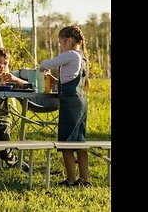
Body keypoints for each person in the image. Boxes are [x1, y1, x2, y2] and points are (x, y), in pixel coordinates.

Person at [39, 25, 90, 187]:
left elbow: (46, 63)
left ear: (68, 41)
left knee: (66, 142)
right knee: (79, 141)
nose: (60, 44)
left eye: (60, 41)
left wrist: (40, 69)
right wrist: (54, 80)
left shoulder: (70, 54)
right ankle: (84, 179)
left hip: (70, 104)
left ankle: (70, 180)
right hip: (80, 102)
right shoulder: (81, 57)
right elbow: (69, 79)